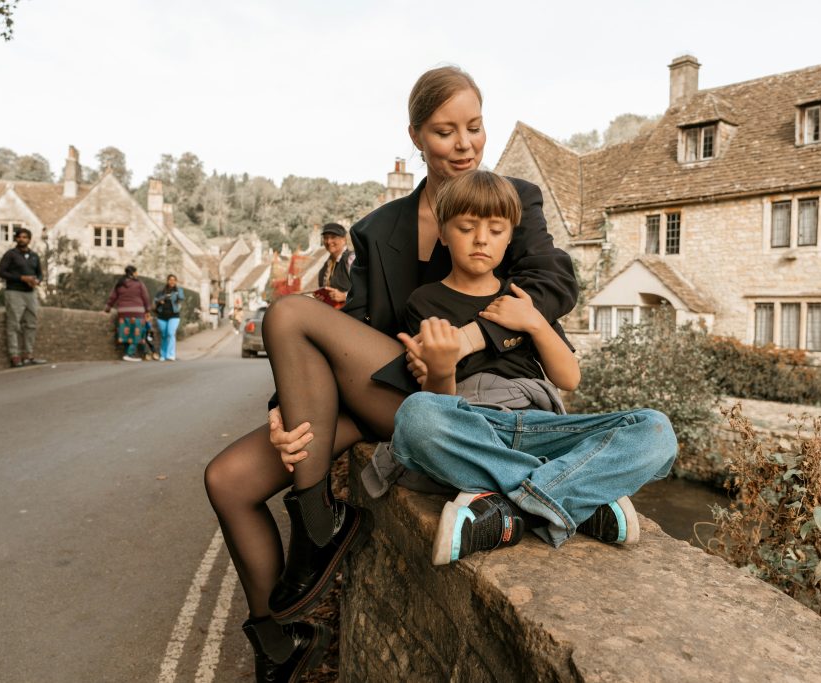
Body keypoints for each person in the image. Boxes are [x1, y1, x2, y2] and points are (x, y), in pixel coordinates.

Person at [203, 66, 579, 682]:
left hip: (460, 398)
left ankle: (317, 521)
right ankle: (281, 639)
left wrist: (466, 339)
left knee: (292, 311)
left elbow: (552, 283)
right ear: (415, 136)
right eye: (444, 131)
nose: (464, 144)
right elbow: (343, 334)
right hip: (383, 392)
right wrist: (283, 411)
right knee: (226, 480)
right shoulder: (378, 231)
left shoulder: (505, 203)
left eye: (475, 128)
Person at [385, 170, 677, 565]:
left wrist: (535, 322)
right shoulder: (425, 303)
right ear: (443, 233)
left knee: (656, 431)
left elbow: (569, 378)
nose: (481, 239)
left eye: (495, 229)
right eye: (467, 227)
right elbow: (439, 405)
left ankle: (508, 508)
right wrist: (439, 369)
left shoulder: (523, 297)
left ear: (510, 237)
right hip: (477, 428)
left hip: (543, 427)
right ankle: (573, 499)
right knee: (416, 417)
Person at [0, 227, 47, 367]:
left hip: (30, 293)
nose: (22, 239)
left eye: (25, 237)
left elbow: (40, 273)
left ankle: (28, 355)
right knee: (14, 324)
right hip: (14, 292)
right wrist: (21, 278)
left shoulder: (34, 256)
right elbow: (0, 272)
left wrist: (37, 281)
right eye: (19, 237)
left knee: (31, 324)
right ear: (16, 239)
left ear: (29, 240)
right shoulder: (10, 255)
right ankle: (15, 356)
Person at [104, 265, 151, 362]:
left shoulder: (120, 283)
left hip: (123, 312)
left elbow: (113, 297)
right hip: (137, 312)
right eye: (136, 272)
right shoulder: (139, 284)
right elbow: (145, 297)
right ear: (133, 273)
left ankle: (127, 353)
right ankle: (130, 354)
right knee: (137, 333)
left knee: (126, 333)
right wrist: (148, 310)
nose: (137, 274)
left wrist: (108, 308)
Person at [313, 223, 355, 309]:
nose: (328, 241)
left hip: (351, 317)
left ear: (343, 239)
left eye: (333, 237)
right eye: (326, 238)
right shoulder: (325, 266)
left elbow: (366, 288)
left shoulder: (351, 259)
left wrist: (344, 296)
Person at [153, 274, 185, 361]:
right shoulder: (161, 291)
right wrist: (160, 301)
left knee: (171, 333)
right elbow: (155, 300)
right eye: (170, 279)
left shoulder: (179, 290)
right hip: (162, 316)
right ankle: (163, 354)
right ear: (167, 281)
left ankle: (171, 354)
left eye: (174, 280)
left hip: (174, 316)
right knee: (164, 335)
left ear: (176, 281)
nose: (172, 281)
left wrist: (174, 295)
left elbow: (181, 298)